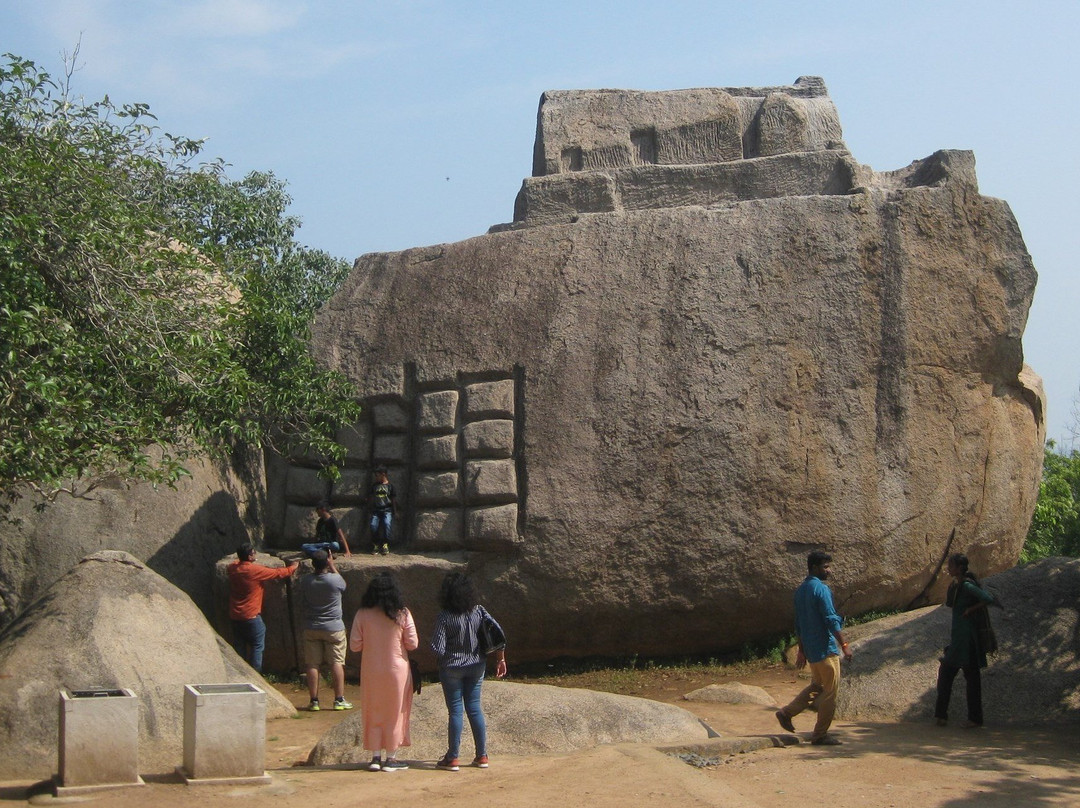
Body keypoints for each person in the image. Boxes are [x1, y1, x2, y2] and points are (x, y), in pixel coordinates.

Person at [430, 572, 507, 771]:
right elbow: (498, 633)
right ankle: (482, 755)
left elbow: (437, 648)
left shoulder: (444, 616)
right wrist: (500, 659)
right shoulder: (478, 611)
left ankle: (452, 757)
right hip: (476, 665)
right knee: (474, 708)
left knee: (455, 710)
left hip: (451, 668)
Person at [774, 550, 853, 746]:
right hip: (826, 649)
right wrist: (844, 645)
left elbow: (799, 624)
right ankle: (820, 734)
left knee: (817, 686)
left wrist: (802, 650)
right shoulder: (821, 590)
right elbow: (830, 620)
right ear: (815, 568)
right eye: (826, 567)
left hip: (812, 651)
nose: (829, 570)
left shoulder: (801, 591)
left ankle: (787, 713)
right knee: (830, 692)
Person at [349, 572, 418, 772]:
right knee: (395, 712)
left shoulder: (363, 613)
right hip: (397, 671)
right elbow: (413, 643)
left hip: (371, 670)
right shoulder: (402, 613)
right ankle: (392, 758)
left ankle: (375, 757)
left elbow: (354, 645)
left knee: (373, 710)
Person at [934, 553, 995, 728]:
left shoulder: (967, 586)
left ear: (959, 568)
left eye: (951, 566)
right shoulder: (957, 586)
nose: (948, 569)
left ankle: (969, 718)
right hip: (959, 639)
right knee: (953, 675)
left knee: (964, 678)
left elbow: (987, 598)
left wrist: (970, 610)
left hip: (967, 641)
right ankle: (944, 716)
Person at [226, 543, 298, 672]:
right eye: (253, 553)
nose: (255, 554)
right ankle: (255, 674)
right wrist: (293, 567)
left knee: (239, 646)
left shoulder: (232, 569)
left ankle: (239, 673)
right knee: (257, 646)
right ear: (249, 556)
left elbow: (235, 563)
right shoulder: (254, 570)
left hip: (235, 615)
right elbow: (277, 573)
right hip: (251, 615)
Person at [299, 549, 353, 712]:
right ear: (327, 562)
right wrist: (332, 565)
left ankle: (314, 701)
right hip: (334, 628)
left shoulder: (306, 580)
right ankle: (339, 700)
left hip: (311, 627)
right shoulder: (335, 580)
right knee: (336, 663)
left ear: (312, 564)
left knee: (312, 664)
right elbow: (344, 586)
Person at [367, 467, 397, 555]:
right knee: (373, 525)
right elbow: (371, 497)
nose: (376, 477)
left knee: (387, 524)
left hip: (387, 510)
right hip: (376, 510)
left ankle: (385, 544)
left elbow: (393, 500)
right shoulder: (374, 486)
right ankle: (376, 545)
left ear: (383, 474)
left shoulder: (390, 486)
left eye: (377, 475)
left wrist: (395, 512)